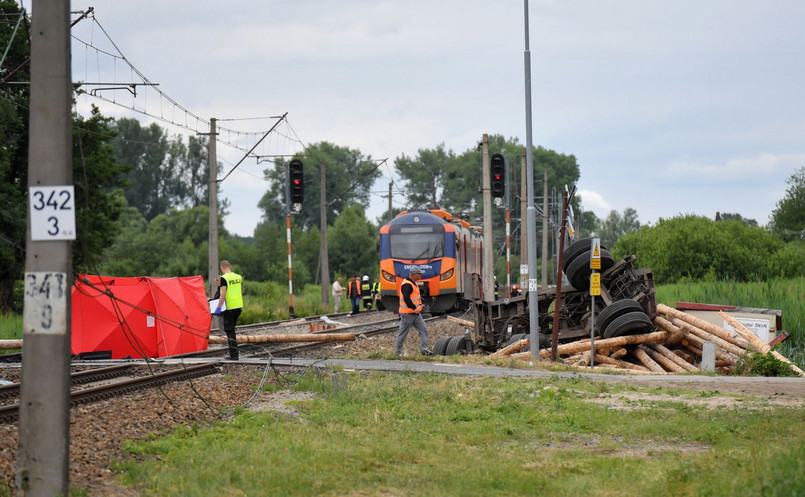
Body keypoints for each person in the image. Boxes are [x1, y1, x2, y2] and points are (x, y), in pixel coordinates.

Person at [394, 268, 434, 357]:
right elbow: (406, 298)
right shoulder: (407, 285)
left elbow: (413, 297)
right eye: (419, 274)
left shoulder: (413, 283)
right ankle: (397, 353)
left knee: (423, 330)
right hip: (408, 313)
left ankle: (424, 350)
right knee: (403, 333)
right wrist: (413, 307)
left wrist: (419, 306)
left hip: (416, 314)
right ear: (414, 274)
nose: (421, 275)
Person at [214, 260, 243, 360]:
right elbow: (239, 290)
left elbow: (223, 294)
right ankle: (234, 354)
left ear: (222, 267)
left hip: (229, 308)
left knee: (229, 331)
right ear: (229, 266)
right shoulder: (238, 277)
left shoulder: (223, 278)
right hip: (238, 307)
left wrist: (218, 307)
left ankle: (234, 355)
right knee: (232, 330)